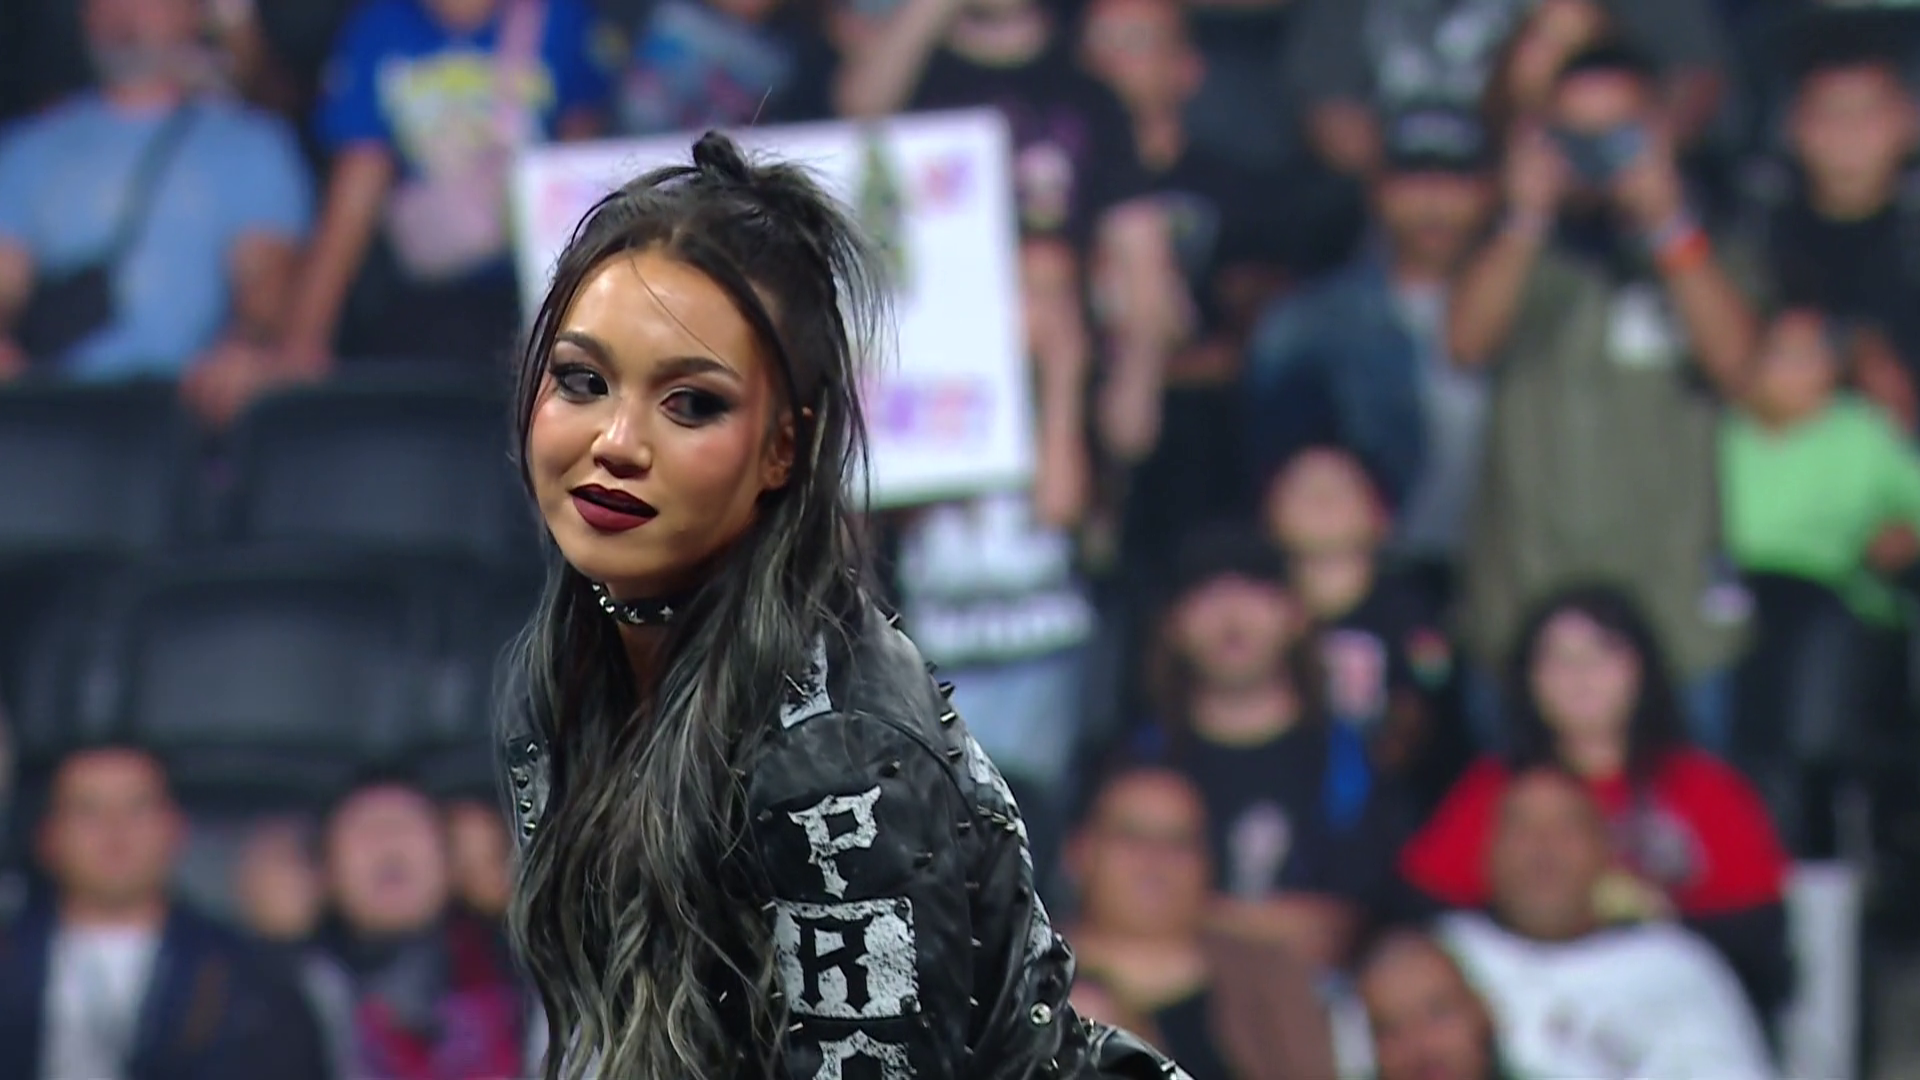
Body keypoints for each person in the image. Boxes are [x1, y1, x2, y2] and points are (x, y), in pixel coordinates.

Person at [495, 130, 1183, 1078]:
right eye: (583, 380)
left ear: (784, 448)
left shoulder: (838, 754)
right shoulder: (568, 682)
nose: (617, 440)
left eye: (692, 403)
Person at [1400, 585, 1792, 1018]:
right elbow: (1425, 921)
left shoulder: (1705, 787)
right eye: (1558, 659)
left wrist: (1658, 923)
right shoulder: (1495, 788)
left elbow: (1760, 941)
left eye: (1602, 655)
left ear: (1640, 670)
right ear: (1529, 679)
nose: (1580, 676)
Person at [0, 743, 329, 1080]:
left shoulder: (250, 980)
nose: (115, 830)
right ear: (48, 836)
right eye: (88, 810)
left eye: (137, 808)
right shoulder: (10, 957)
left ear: (175, 827)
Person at [1437, 766, 1776, 1078]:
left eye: (1566, 830)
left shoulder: (1677, 967)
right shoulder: (1445, 956)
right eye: (1521, 829)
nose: (1542, 850)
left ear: (1606, 854)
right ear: (1486, 853)